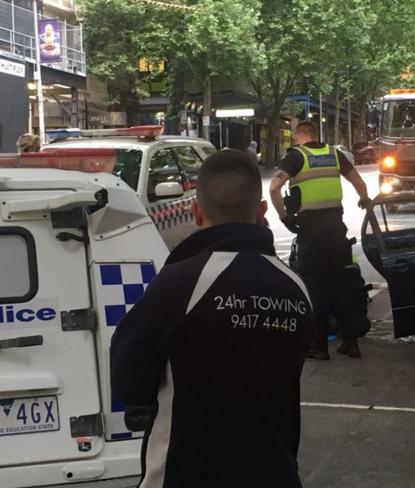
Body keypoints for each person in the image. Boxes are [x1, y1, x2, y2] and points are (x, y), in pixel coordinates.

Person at [111, 150, 313, 488]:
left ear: (196, 212)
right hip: (275, 473)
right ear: (262, 211)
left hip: (185, 474)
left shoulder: (178, 283)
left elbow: (128, 380)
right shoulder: (296, 289)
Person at [269, 121, 370, 360]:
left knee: (316, 289)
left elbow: (274, 188)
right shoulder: (334, 154)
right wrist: (364, 199)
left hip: (311, 233)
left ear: (299, 136)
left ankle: (318, 346)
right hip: (336, 230)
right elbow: (359, 181)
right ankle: (351, 342)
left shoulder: (296, 157)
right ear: (317, 134)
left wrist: (285, 218)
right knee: (342, 285)